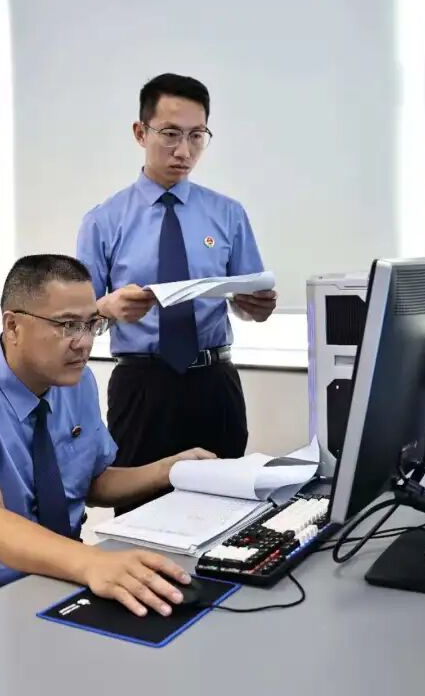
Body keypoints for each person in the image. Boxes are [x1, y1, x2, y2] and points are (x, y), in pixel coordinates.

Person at [0, 254, 215, 628]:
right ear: (13, 326)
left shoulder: (75, 382)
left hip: (58, 577)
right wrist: (94, 562)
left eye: (91, 325)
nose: (84, 343)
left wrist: (171, 469)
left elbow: (92, 483)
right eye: (68, 326)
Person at [76, 73, 277, 513]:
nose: (184, 151)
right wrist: (106, 307)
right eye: (170, 134)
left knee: (226, 512)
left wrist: (256, 306)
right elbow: (77, 322)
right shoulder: (103, 220)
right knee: (140, 513)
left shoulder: (228, 214)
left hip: (214, 383)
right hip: (142, 387)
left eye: (196, 136)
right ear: (140, 132)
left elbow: (249, 304)